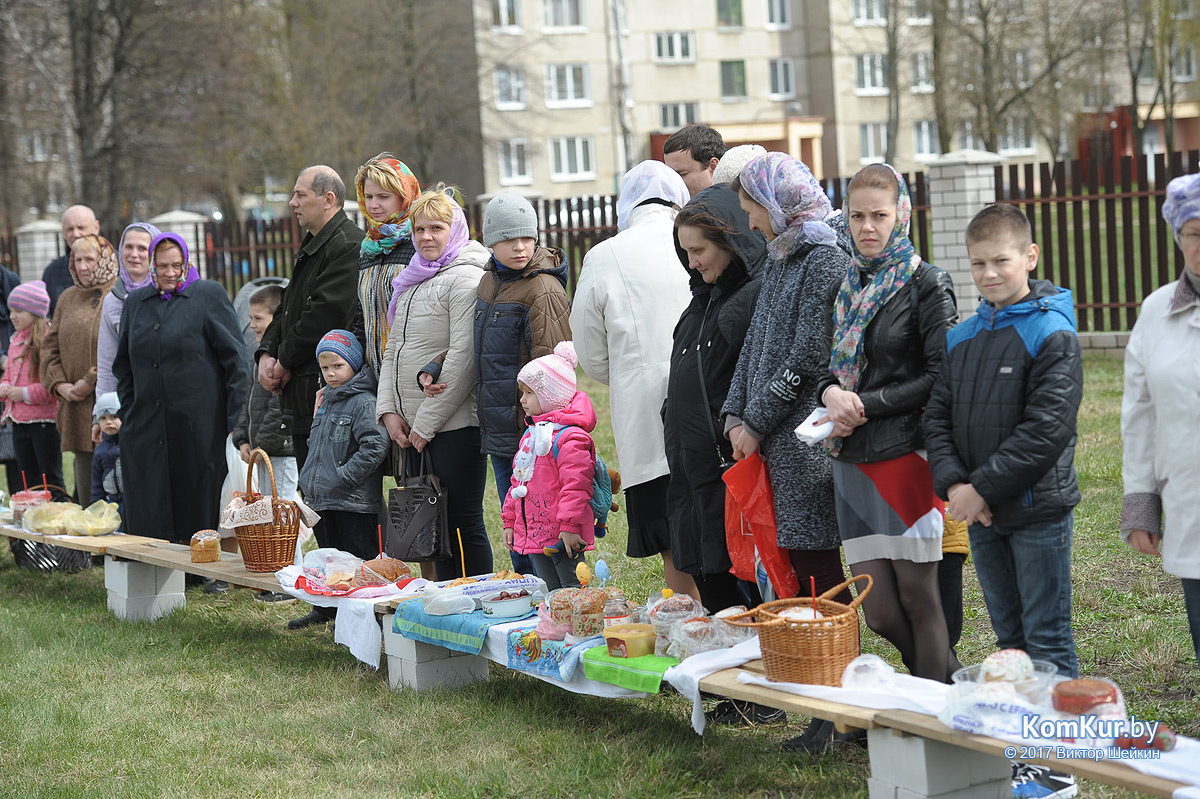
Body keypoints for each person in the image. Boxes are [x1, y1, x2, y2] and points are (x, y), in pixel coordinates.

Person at [924, 203, 1083, 799]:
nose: (989, 274)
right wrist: (956, 487)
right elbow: (937, 416)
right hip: (981, 513)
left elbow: (1047, 429)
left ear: (1030, 257)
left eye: (1001, 261)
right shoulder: (962, 335)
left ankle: (1058, 763)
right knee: (1009, 640)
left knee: (1046, 635)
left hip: (1035, 510)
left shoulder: (1052, 331)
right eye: (977, 264)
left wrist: (979, 488)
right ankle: (1025, 752)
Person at [815, 164, 958, 685]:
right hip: (849, 460)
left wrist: (865, 403)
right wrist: (830, 393)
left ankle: (936, 710)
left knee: (920, 597)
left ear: (901, 214)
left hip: (905, 457)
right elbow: (826, 369)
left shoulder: (927, 284)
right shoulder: (846, 283)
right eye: (857, 216)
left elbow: (942, 376)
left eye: (879, 215)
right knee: (878, 612)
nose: (867, 227)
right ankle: (947, 683)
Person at [724, 153, 851, 604]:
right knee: (788, 561)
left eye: (752, 208)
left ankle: (831, 661)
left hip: (801, 440)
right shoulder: (782, 255)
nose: (752, 223)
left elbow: (809, 356)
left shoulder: (823, 259)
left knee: (814, 562)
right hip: (769, 436)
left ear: (775, 200)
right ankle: (805, 658)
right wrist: (735, 415)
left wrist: (755, 422)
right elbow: (754, 345)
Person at [571, 160, 698, 598]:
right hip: (711, 398)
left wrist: (626, 372)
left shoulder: (605, 255)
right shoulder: (701, 240)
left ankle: (688, 622)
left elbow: (588, 348)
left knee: (669, 534)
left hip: (644, 408)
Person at [377, 187, 492, 581]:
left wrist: (425, 425)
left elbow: (464, 358)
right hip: (411, 428)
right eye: (420, 228)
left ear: (455, 229)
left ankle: (474, 608)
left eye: (436, 228)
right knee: (431, 526)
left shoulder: (465, 279)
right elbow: (393, 350)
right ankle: (442, 606)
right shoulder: (412, 279)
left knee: (461, 523)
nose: (426, 237)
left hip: (455, 426)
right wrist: (389, 412)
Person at [664, 186, 766, 613]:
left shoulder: (752, 298)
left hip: (730, 471)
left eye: (699, 249)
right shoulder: (701, 301)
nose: (692, 262)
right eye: (685, 252)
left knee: (752, 592)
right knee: (715, 590)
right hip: (693, 473)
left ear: (730, 240)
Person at [113, 232, 248, 543]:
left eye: (178, 265)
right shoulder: (136, 303)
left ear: (187, 263)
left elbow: (236, 362)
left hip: (199, 426)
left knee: (197, 494)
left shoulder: (207, 295)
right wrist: (131, 410)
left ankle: (200, 570)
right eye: (163, 266)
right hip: (146, 425)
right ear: (151, 266)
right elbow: (123, 367)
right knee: (151, 499)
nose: (171, 273)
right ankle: (154, 564)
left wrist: (235, 420)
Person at [1122, 172, 1200, 666]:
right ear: (1178, 238)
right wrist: (1141, 503)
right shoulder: (1156, 312)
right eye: (1194, 232)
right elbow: (1139, 415)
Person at [475, 193, 572, 575]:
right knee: (515, 523)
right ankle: (524, 600)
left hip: (532, 433)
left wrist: (541, 432)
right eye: (508, 239)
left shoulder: (541, 289)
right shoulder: (488, 282)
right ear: (490, 242)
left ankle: (549, 601)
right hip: (500, 430)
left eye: (527, 238)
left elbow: (551, 371)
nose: (519, 247)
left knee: (539, 527)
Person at [258, 166, 364, 468]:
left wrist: (283, 361)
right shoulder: (315, 243)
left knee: (336, 498)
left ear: (328, 198)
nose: (292, 202)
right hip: (303, 392)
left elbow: (323, 315)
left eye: (300, 195)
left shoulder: (346, 245)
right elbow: (288, 304)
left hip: (324, 390)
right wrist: (266, 353)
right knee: (315, 493)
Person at [294, 330, 390, 629]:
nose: (331, 373)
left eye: (338, 366)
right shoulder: (326, 401)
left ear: (353, 364)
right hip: (324, 499)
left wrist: (345, 476)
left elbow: (375, 445)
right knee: (328, 560)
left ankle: (364, 616)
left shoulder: (362, 402)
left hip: (354, 502)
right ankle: (328, 610)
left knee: (357, 562)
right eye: (325, 368)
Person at [501, 342, 597, 591]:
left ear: (551, 395)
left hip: (563, 535)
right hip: (534, 532)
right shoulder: (532, 436)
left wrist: (570, 526)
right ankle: (554, 629)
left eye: (529, 393)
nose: (522, 400)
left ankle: (579, 629)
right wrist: (510, 520)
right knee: (548, 591)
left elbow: (577, 486)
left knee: (572, 589)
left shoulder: (570, 438)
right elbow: (517, 481)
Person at [228, 284, 297, 601]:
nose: (252, 325)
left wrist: (260, 447)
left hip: (280, 454)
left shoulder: (281, 360)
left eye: (258, 318)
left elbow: (277, 411)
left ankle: (290, 578)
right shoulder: (261, 360)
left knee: (283, 514)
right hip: (264, 454)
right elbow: (249, 406)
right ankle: (275, 574)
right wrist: (243, 438)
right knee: (270, 513)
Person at [41, 234, 118, 505]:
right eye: (77, 259)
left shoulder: (118, 292)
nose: (83, 266)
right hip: (76, 407)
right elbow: (49, 348)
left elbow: (117, 350)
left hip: (111, 407)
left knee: (118, 490)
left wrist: (89, 380)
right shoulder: (67, 298)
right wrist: (60, 384)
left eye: (90, 259)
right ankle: (91, 548)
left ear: (105, 259)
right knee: (88, 490)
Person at [350, 154, 422, 376]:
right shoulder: (368, 248)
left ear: (404, 197)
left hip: (412, 375)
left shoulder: (420, 244)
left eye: (383, 196)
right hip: (373, 375)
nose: (373, 205)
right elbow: (362, 316)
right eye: (369, 196)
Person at [0, 280, 63, 490]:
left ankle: (56, 519)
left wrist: (23, 393)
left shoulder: (47, 341)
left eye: (18, 310)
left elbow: (51, 386)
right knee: (28, 482)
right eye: (11, 310)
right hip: (19, 423)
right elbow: (8, 374)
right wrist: (5, 388)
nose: (12, 316)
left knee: (50, 479)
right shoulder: (15, 340)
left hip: (44, 424)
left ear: (35, 312)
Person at [95, 222, 161, 404]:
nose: (134, 254)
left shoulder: (170, 294)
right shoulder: (112, 300)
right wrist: (101, 411)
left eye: (142, 248)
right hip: (131, 401)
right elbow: (108, 364)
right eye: (128, 247)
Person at [42, 204, 100, 318]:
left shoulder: (117, 265)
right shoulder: (52, 272)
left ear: (96, 227)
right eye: (70, 229)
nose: (75, 234)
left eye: (81, 228)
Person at [662, 123, 727, 197]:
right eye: (670, 175)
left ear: (713, 166)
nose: (673, 183)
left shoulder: (737, 205)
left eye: (682, 174)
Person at [90, 391, 123, 521]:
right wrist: (96, 507)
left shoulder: (130, 447)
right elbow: (96, 483)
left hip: (131, 504)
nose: (108, 422)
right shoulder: (100, 451)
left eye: (114, 417)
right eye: (103, 418)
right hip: (110, 504)